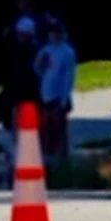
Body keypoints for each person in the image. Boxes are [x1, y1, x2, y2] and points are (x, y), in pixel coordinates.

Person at [35, 12, 78, 164]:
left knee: (60, 129)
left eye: (56, 32)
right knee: (47, 129)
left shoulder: (67, 52)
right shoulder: (46, 50)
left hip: (59, 96)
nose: (54, 35)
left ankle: (62, 157)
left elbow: (68, 76)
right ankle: (49, 156)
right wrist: (40, 64)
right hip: (46, 93)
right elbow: (37, 69)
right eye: (52, 32)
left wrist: (64, 98)